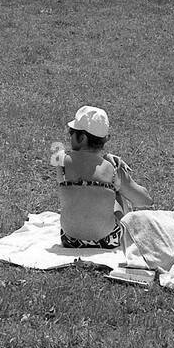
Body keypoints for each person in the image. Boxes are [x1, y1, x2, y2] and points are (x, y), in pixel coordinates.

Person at [57, 106, 153, 249]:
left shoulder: (60, 161)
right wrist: (112, 164)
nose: (70, 136)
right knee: (117, 189)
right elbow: (145, 201)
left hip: (70, 239)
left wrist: (106, 158)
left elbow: (61, 152)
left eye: (72, 133)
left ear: (82, 137)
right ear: (106, 139)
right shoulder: (112, 169)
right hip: (107, 240)